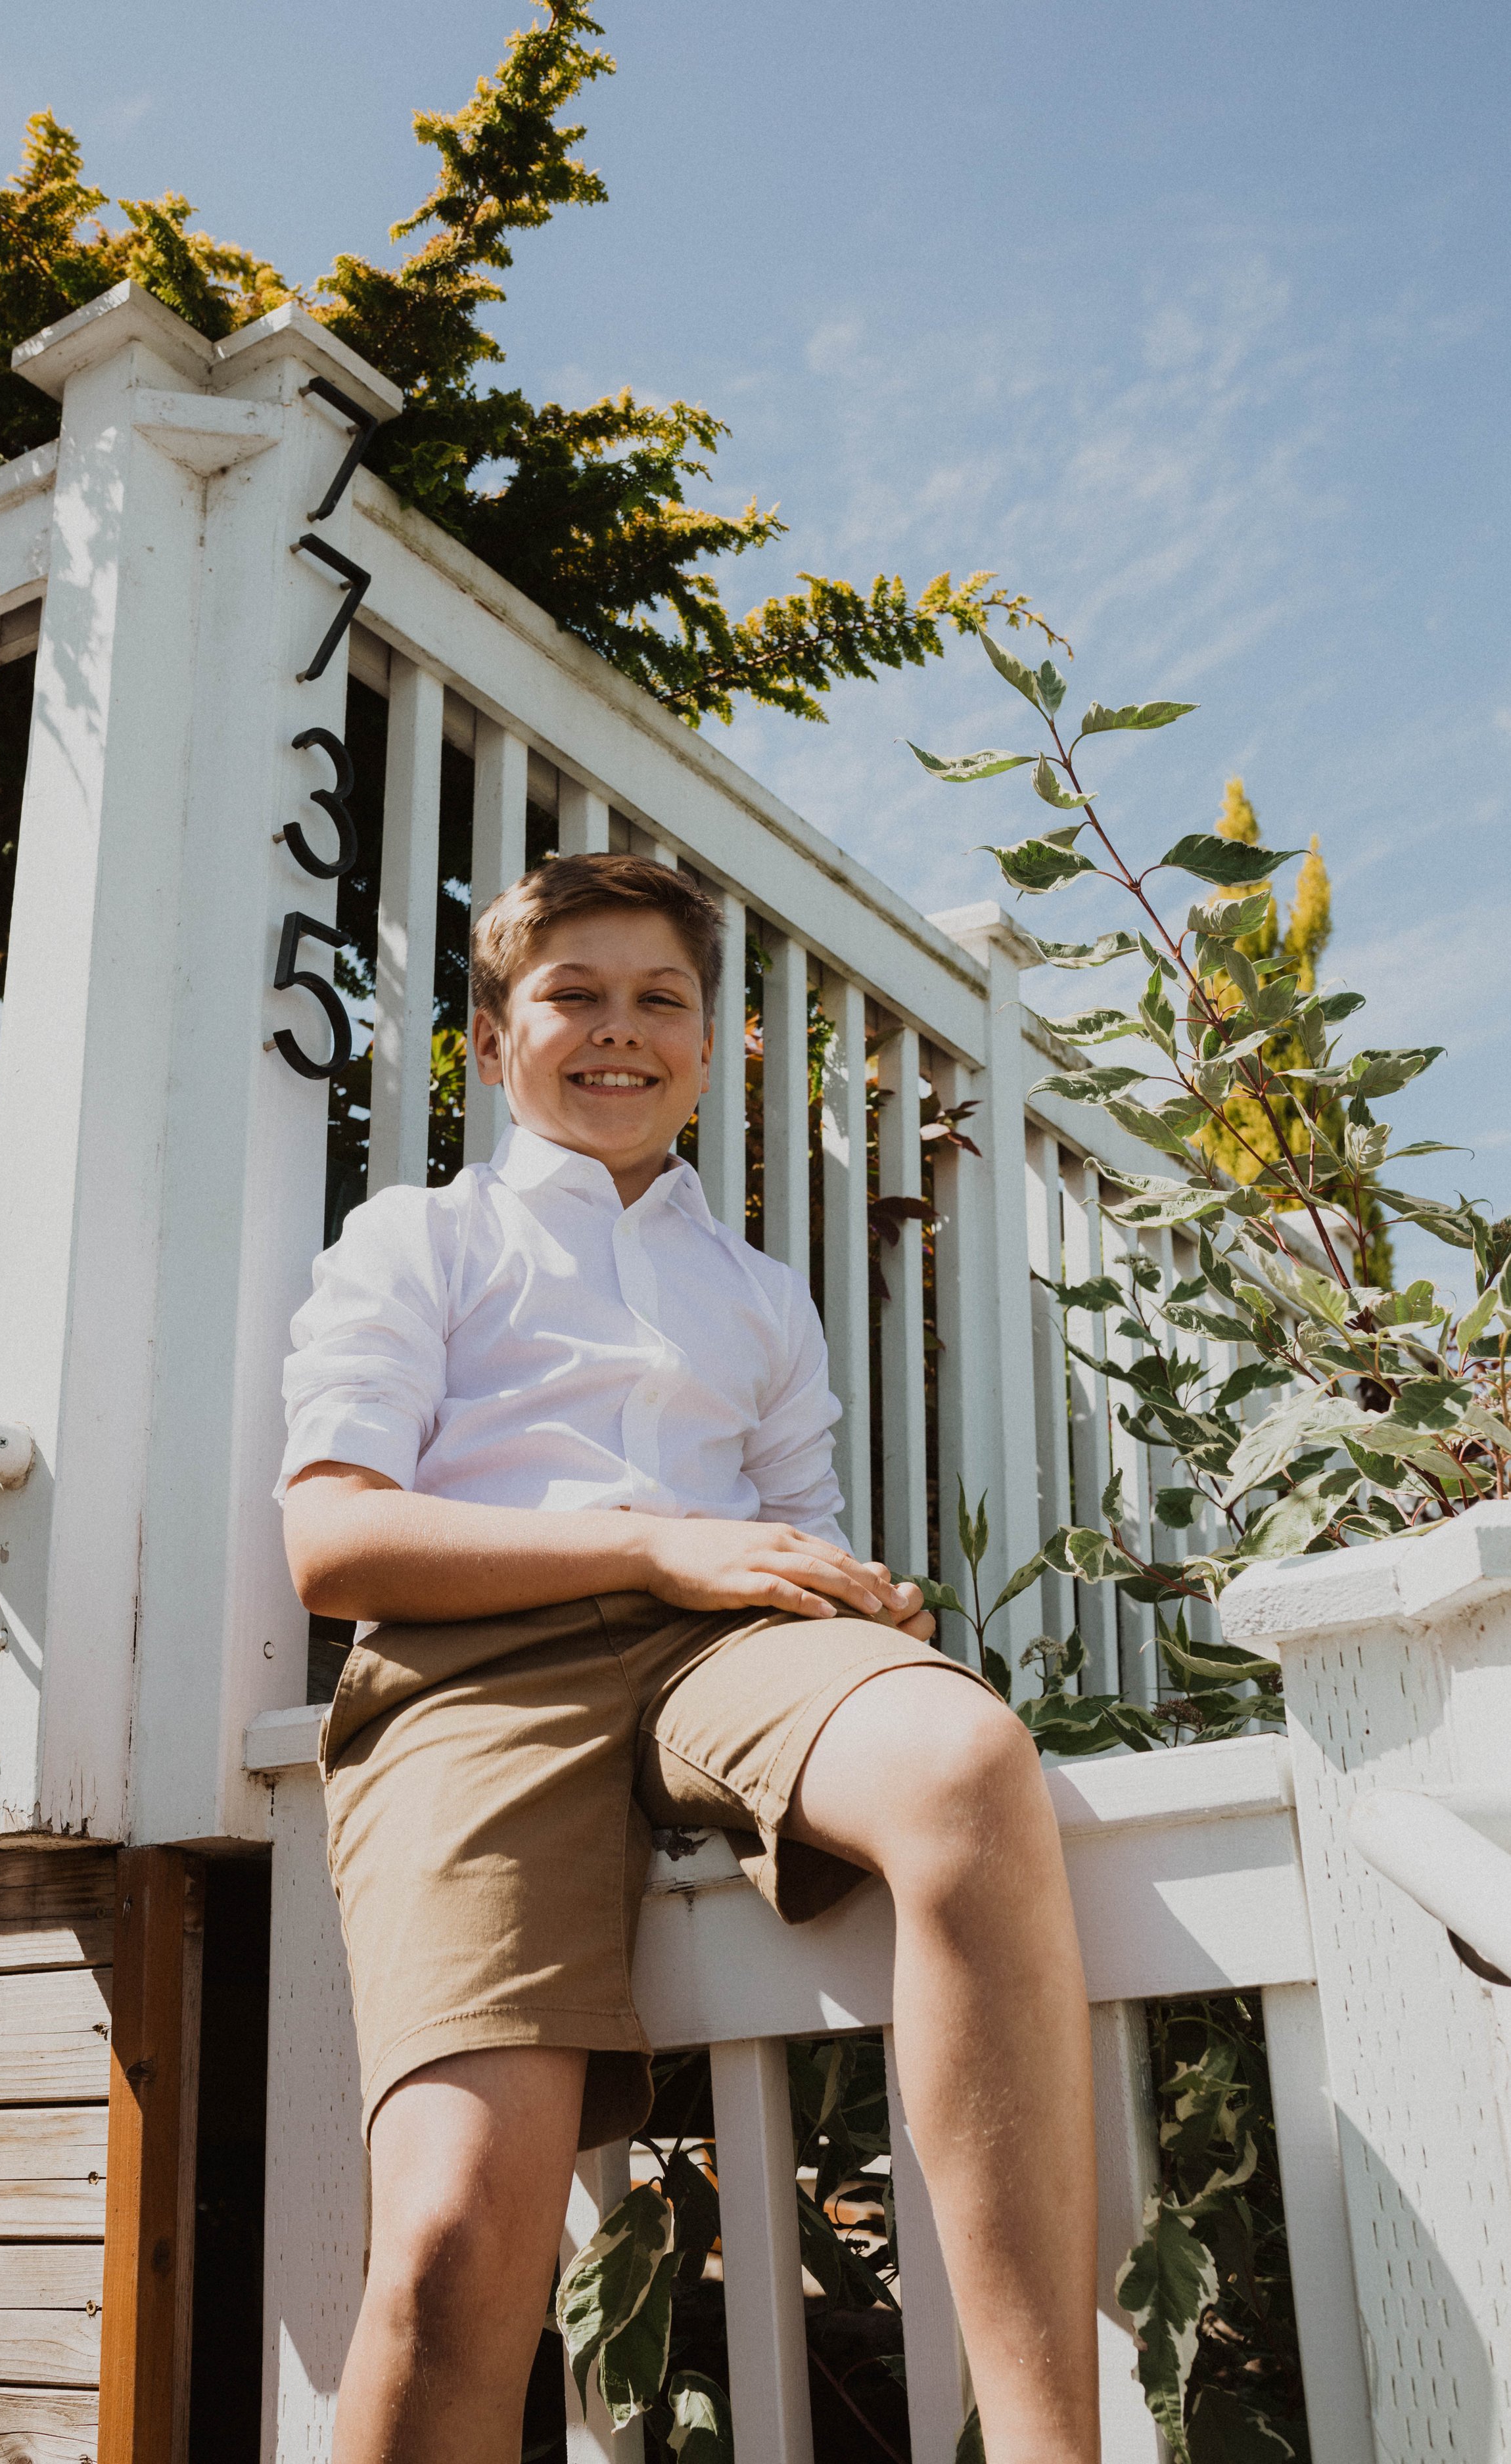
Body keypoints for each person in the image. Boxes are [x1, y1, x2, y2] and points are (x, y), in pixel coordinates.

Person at [278, 853, 1099, 2464]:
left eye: (660, 1001)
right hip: (471, 1680)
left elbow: (790, 1530)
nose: (618, 1032)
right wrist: (656, 1541)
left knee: (959, 1757)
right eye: (571, 995)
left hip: (727, 1649)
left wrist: (860, 1603)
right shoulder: (418, 1242)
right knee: (452, 2248)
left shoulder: (764, 1300)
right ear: (491, 1035)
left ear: (709, 1050)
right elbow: (335, 1547)